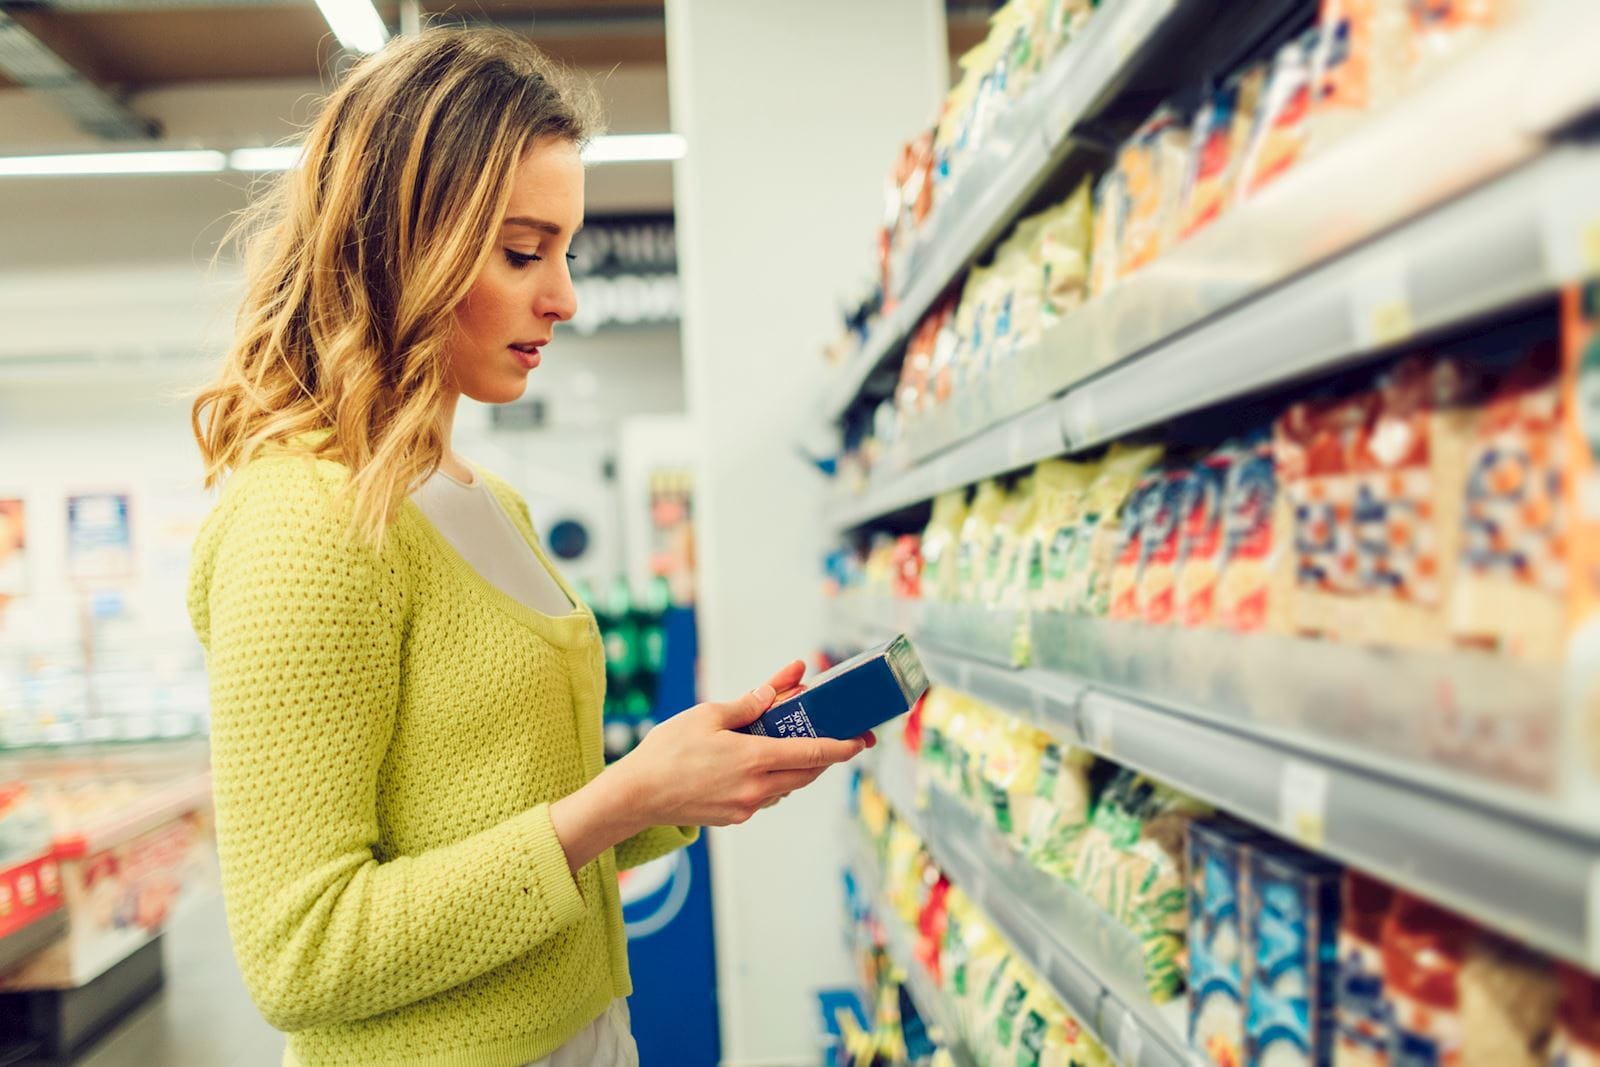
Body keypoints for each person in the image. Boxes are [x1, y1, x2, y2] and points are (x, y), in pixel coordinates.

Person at [186, 27, 869, 1067]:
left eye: (565, 249)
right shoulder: (305, 524)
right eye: (520, 251)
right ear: (404, 244)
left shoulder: (479, 496)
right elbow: (303, 953)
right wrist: (624, 797)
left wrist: (669, 778)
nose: (563, 296)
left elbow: (501, 814)